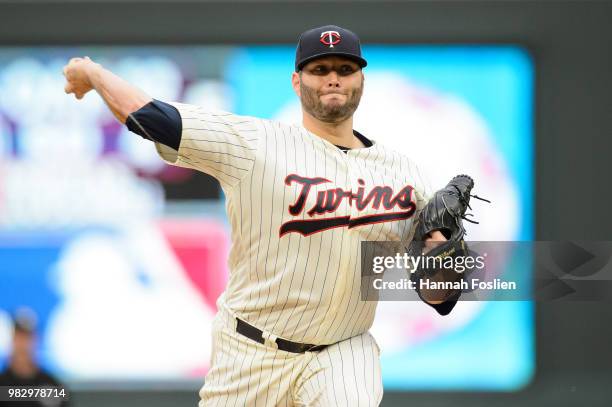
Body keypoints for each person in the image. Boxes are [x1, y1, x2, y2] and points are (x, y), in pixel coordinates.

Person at [63, 24, 456, 406]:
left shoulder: (403, 174)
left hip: (343, 351)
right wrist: (94, 74)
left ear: (361, 81)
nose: (333, 78)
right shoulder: (255, 145)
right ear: (297, 82)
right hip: (251, 351)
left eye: (345, 69)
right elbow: (153, 118)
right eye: (320, 70)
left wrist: (442, 255)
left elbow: (439, 298)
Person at [0, 309, 69, 407]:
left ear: (36, 340)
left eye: (28, 337)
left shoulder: (52, 385)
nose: (23, 344)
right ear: (11, 340)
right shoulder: (2, 385)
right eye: (19, 337)